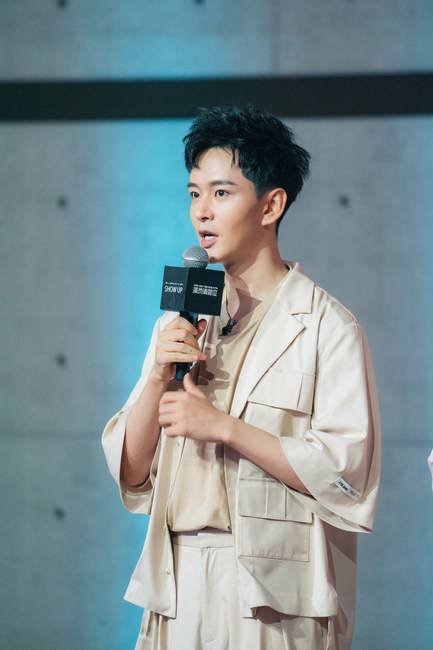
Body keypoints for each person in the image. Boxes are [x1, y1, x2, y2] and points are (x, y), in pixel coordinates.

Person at [101, 105, 381, 650]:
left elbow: (346, 477)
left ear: (271, 205)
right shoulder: (181, 321)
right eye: (194, 193)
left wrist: (224, 428)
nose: (202, 212)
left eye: (222, 193)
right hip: (177, 583)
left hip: (273, 598)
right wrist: (158, 377)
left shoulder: (328, 327)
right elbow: (132, 474)